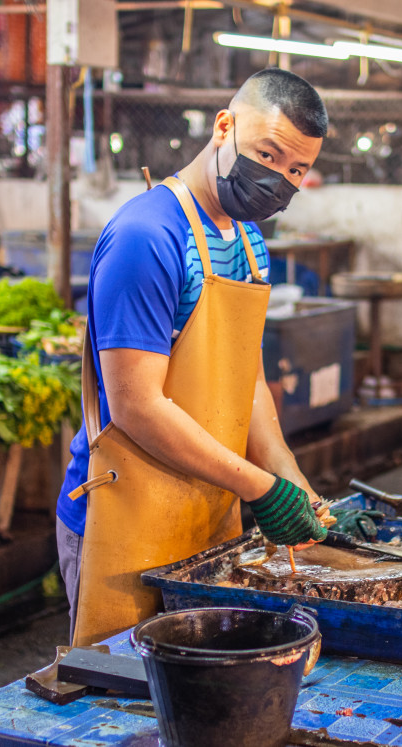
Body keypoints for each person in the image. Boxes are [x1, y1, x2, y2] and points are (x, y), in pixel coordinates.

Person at [56, 69, 332, 644]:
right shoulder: (147, 236)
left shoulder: (251, 244)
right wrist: (259, 488)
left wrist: (288, 474)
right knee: (126, 706)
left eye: (296, 169)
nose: (278, 179)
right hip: (124, 517)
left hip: (207, 513)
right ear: (224, 126)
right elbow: (137, 406)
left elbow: (245, 382)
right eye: (268, 153)